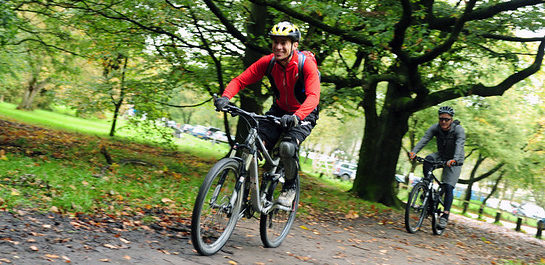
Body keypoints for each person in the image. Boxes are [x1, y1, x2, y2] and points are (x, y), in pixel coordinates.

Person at [214, 21, 320, 207]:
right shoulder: (268, 62)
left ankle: (289, 187)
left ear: (294, 45)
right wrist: (225, 97)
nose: (278, 47)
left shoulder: (306, 65)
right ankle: (245, 191)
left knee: (287, 147)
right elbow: (240, 80)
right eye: (275, 42)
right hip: (279, 110)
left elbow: (313, 97)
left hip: (304, 112)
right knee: (252, 144)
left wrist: (297, 117)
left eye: (284, 42)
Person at [409, 106, 465, 229]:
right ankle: (426, 187)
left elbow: (459, 145)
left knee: (448, 186)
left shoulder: (458, 130)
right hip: (441, 155)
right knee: (428, 160)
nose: (443, 122)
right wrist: (414, 152)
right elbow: (424, 139)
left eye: (446, 119)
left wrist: (454, 159)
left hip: (455, 160)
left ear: (451, 119)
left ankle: (445, 216)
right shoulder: (435, 128)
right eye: (441, 119)